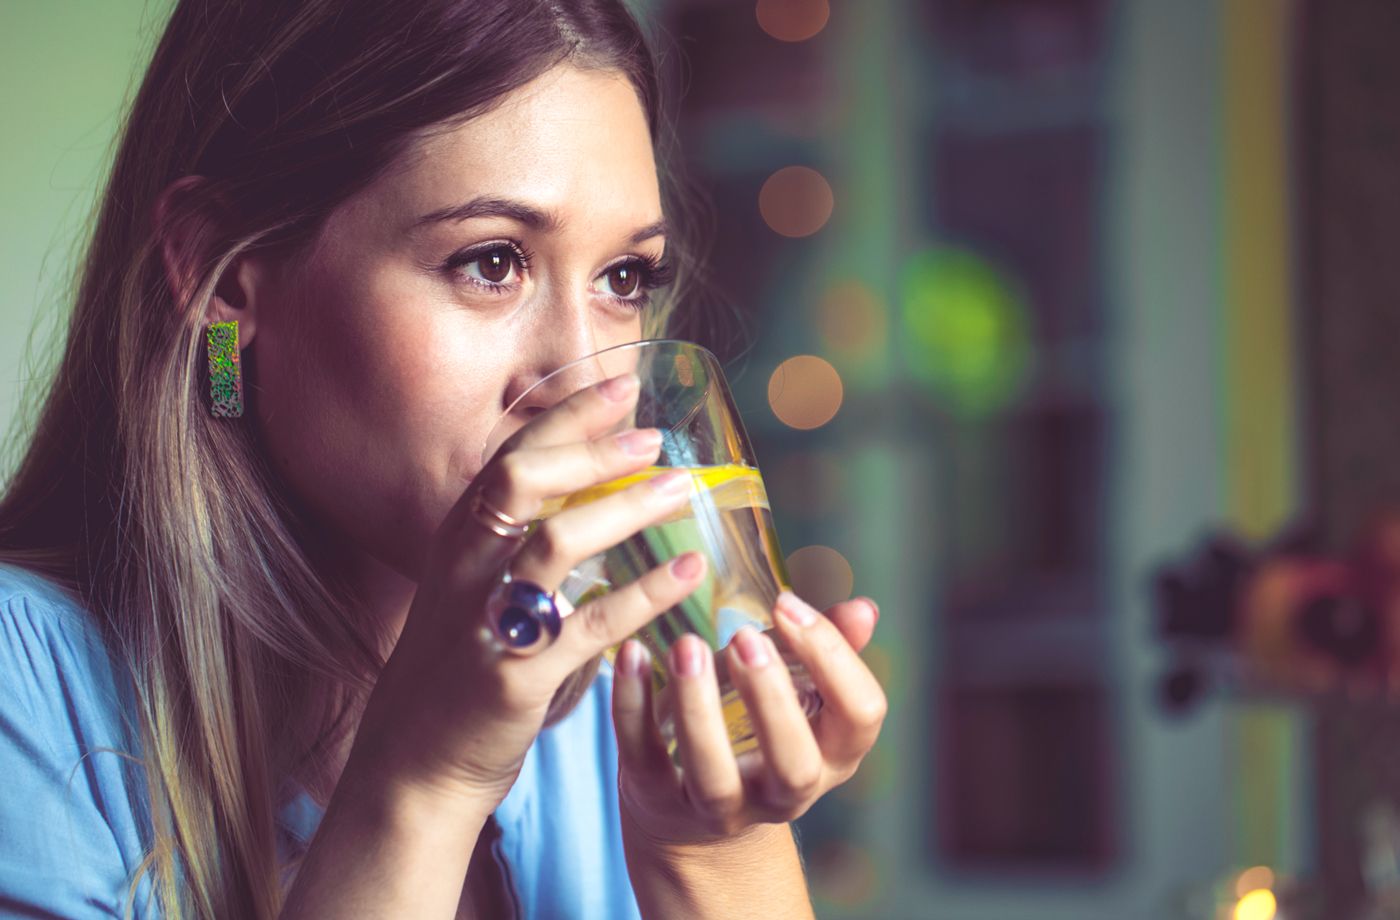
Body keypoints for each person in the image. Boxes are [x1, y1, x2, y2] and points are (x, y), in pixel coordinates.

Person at [0, 0, 887, 917]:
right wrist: (427, 780)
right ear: (223, 279)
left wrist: (715, 845)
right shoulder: (21, 702)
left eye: (624, 279)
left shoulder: (603, 697)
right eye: (492, 263)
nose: (577, 383)